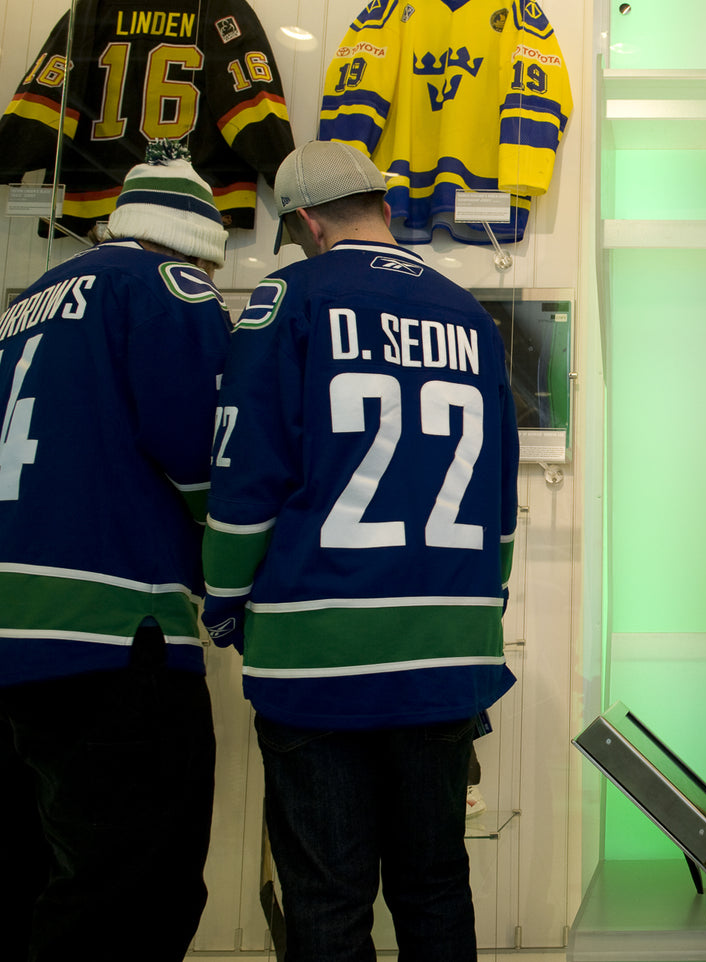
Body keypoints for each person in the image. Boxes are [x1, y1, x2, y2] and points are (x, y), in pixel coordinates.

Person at [201, 140, 519, 960]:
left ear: (307, 220)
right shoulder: (471, 317)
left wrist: (224, 600)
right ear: (382, 204)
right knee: (436, 884)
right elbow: (500, 507)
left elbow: (247, 477)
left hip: (318, 651)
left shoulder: (290, 298)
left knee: (328, 894)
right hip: (447, 653)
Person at [0, 141, 229, 960]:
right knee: (139, 888)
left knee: (45, 880)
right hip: (111, 626)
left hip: (15, 632)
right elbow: (202, 453)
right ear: (196, 245)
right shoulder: (168, 289)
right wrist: (231, 569)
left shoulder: (27, 300)